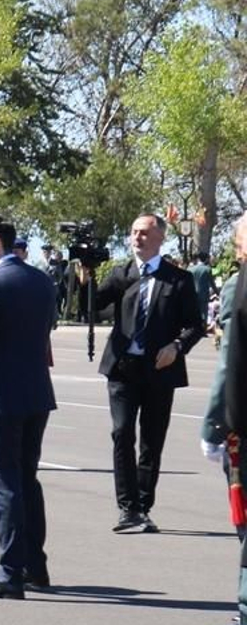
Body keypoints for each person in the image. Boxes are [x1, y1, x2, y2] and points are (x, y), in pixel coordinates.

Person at [0, 215, 57, 599]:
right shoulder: (42, 281)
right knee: (27, 481)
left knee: (6, 486)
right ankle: (35, 565)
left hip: (2, 396)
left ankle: (9, 573)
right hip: (37, 393)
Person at [94, 214, 204, 534]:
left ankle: (143, 505)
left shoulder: (179, 280)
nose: (137, 238)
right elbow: (91, 308)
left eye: (144, 233)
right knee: (122, 432)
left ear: (159, 238)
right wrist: (84, 280)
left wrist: (177, 346)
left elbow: (195, 326)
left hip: (159, 370)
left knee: (152, 441)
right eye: (133, 233)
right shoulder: (120, 275)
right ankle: (127, 508)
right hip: (122, 370)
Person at [204, 216, 247, 625]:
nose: (235, 250)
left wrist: (213, 424)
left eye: (237, 242)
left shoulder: (240, 285)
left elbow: (229, 364)